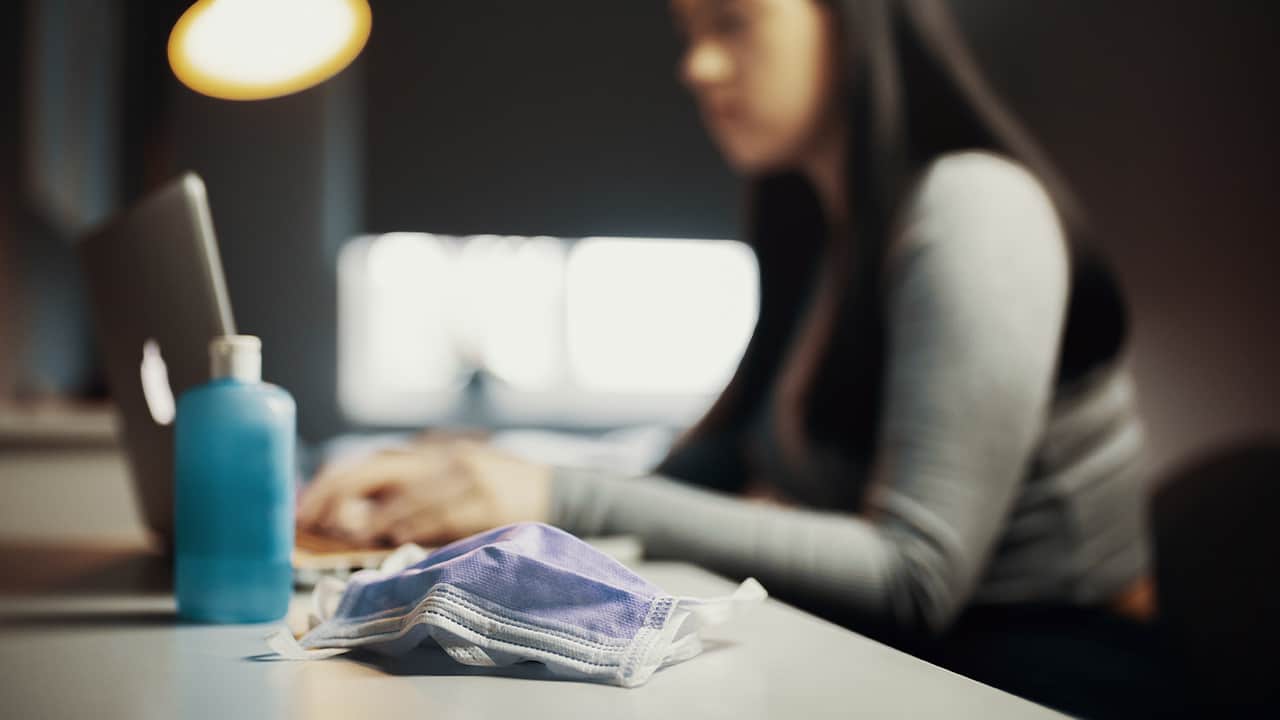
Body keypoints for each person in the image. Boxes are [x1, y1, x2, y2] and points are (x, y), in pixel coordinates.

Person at [300, 1, 1175, 715]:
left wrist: (549, 491)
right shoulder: (819, 232)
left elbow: (918, 575)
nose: (698, 67)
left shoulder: (973, 208)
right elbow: (708, 473)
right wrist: (482, 482)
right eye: (689, 35)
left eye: (733, 23)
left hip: (1043, 676)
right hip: (909, 662)